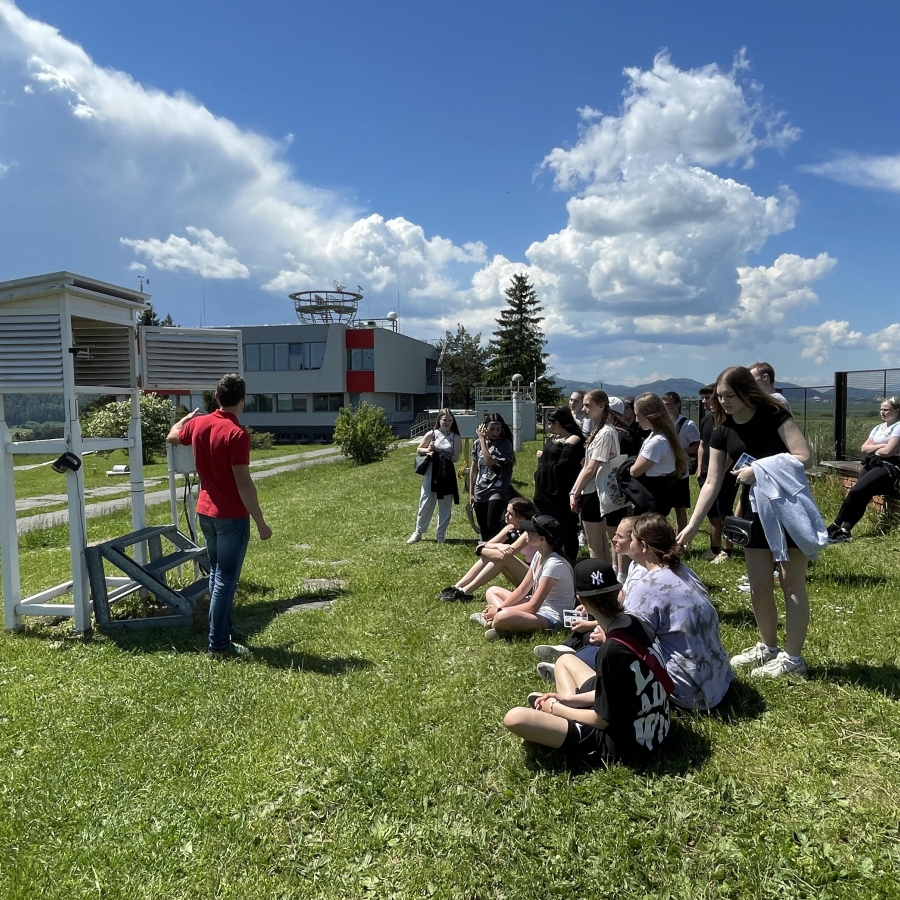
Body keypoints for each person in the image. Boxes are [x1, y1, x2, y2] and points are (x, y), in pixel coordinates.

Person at [677, 366, 817, 679]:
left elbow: (804, 457)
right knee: (759, 585)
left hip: (787, 509)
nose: (723, 401)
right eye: (719, 396)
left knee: (791, 583)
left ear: (745, 392)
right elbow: (711, 482)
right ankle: (769, 647)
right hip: (754, 512)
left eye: (729, 395)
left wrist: (761, 470)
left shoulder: (774, 415)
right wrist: (693, 526)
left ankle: (793, 660)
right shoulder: (722, 429)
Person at [503, 558, 670, 767]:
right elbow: (619, 690)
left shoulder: (611, 651)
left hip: (627, 744)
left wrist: (556, 708)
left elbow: (602, 720)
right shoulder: (637, 623)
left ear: (581, 600)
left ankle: (563, 721)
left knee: (515, 718)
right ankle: (566, 710)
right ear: (618, 592)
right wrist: (569, 700)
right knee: (565, 660)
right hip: (656, 726)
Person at [167, 373, 272, 659]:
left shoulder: (199, 424)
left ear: (216, 398)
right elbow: (243, 483)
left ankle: (223, 629)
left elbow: (172, 435)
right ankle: (218, 645)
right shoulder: (237, 434)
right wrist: (261, 522)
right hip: (231, 516)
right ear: (243, 400)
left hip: (205, 512)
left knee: (216, 574)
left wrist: (186, 418)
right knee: (226, 579)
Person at [622, 513, 733, 710]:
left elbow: (627, 642)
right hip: (719, 681)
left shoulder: (646, 587)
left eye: (631, 540)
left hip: (687, 693)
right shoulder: (686, 572)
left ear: (643, 546)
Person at [470, 515, 574, 640]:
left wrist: (499, 611)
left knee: (502, 617)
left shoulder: (554, 564)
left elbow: (533, 607)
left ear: (542, 539)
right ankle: (498, 623)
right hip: (539, 610)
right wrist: (500, 609)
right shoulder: (539, 555)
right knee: (492, 591)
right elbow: (522, 589)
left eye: (530, 531)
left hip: (552, 618)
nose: (526, 533)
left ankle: (497, 623)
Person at [827, 396, 900, 543]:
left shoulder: (898, 427)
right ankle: (845, 531)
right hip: (873, 462)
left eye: (886, 409)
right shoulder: (878, 428)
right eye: (881, 409)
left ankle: (835, 525)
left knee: (856, 490)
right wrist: (881, 446)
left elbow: (889, 452)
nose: (882, 412)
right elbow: (864, 448)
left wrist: (876, 448)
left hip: (890, 465)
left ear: (897, 411)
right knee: (862, 494)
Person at [568, 390, 628, 564]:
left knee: (595, 546)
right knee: (601, 544)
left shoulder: (605, 432)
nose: (584, 409)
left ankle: (599, 577)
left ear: (602, 406)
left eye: (588, 405)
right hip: (593, 490)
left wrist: (575, 493)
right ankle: (607, 575)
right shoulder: (600, 430)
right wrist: (574, 491)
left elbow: (591, 468)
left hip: (595, 491)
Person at [435, 498, 536, 600]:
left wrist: (481, 550)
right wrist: (498, 546)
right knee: (493, 556)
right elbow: (486, 544)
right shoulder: (511, 528)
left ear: (521, 517)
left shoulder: (529, 532)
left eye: (510, 513)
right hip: (525, 577)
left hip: (536, 580)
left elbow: (507, 553)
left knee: (503, 558)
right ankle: (457, 587)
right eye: (506, 511)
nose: (505, 515)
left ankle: (466, 592)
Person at [533, 407, 585, 561]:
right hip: (544, 489)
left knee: (565, 527)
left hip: (560, 491)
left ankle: (568, 558)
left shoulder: (573, 440)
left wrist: (544, 458)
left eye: (550, 423)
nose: (548, 426)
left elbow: (564, 466)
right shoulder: (553, 438)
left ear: (558, 423)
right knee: (543, 524)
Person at [629, 393, 688, 518]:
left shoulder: (657, 441)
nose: (636, 420)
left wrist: (629, 465)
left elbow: (635, 472)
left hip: (653, 495)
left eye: (638, 415)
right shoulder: (661, 435)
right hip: (661, 492)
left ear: (649, 416)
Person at [408, 409, 461, 544]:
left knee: (445, 504)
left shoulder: (455, 437)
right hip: (431, 471)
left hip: (447, 472)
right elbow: (419, 449)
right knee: (426, 500)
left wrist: (443, 455)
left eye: (450, 420)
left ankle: (441, 534)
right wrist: (428, 450)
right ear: (439, 420)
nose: (447, 422)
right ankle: (418, 531)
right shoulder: (432, 434)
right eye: (444, 420)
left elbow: (456, 457)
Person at [696, 384, 734, 563]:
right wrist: (699, 469)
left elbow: (732, 452)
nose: (704, 402)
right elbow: (702, 445)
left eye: (707, 398)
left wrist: (720, 472)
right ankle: (714, 548)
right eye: (703, 398)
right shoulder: (706, 421)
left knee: (724, 512)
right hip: (706, 474)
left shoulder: (729, 422)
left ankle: (727, 551)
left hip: (724, 476)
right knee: (711, 513)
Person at [470, 413, 515, 543]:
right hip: (480, 489)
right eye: (492, 429)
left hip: (498, 489)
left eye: (498, 429)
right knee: (483, 526)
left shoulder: (504, 444)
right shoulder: (477, 444)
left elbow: (489, 461)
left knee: (492, 525)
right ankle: (485, 549)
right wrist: (471, 492)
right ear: (485, 428)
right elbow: (474, 468)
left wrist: (482, 440)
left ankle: (496, 549)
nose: (495, 432)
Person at [662, 392, 701, 533]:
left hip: (679, 472)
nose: (666, 408)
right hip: (663, 472)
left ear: (678, 405)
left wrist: (679, 451)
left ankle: (681, 540)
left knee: (680, 508)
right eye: (663, 405)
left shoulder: (687, 424)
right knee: (661, 509)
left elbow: (697, 446)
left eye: (669, 405)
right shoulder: (661, 424)